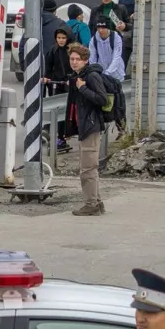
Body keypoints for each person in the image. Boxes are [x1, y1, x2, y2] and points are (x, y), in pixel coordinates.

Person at [66, 43, 112, 217]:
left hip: (91, 126)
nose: (74, 62)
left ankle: (91, 204)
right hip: (86, 126)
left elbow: (102, 99)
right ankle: (96, 202)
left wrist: (82, 88)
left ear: (85, 60)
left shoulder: (91, 77)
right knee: (89, 167)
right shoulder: (79, 76)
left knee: (87, 168)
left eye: (78, 59)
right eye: (72, 59)